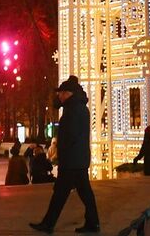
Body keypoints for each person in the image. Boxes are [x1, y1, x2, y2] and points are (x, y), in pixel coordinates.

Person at [30, 75, 99, 234]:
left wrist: (61, 155)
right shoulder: (78, 107)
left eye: (61, 93)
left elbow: (70, 135)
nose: (58, 96)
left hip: (72, 161)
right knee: (79, 193)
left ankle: (49, 224)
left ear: (69, 93)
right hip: (77, 159)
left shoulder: (73, 110)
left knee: (62, 194)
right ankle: (92, 223)